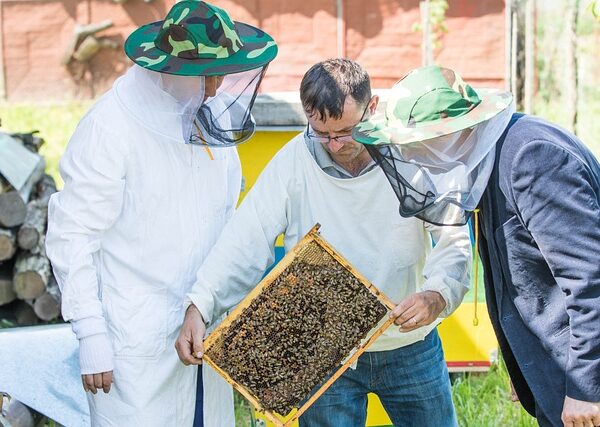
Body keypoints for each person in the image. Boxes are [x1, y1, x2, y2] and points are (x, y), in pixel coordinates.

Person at [175, 59, 471, 426]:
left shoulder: (411, 153)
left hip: (411, 346)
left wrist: (438, 293)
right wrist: (199, 305)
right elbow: (244, 240)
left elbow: (453, 234)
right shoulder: (292, 163)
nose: (335, 144)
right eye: (322, 133)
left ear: (372, 107)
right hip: (324, 352)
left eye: (347, 131)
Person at [45, 1, 277, 426]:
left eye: (221, 74)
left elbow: (226, 221)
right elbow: (71, 235)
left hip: (208, 331)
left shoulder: (209, 124)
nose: (215, 87)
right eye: (206, 76)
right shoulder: (110, 129)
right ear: (169, 71)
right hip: (136, 346)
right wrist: (90, 330)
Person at [352, 65, 600, 427]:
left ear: (449, 133)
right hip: (557, 371)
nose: (413, 158)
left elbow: (590, 280)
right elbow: (519, 276)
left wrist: (587, 387)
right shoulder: (490, 159)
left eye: (414, 146)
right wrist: (523, 362)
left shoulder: (531, 157)